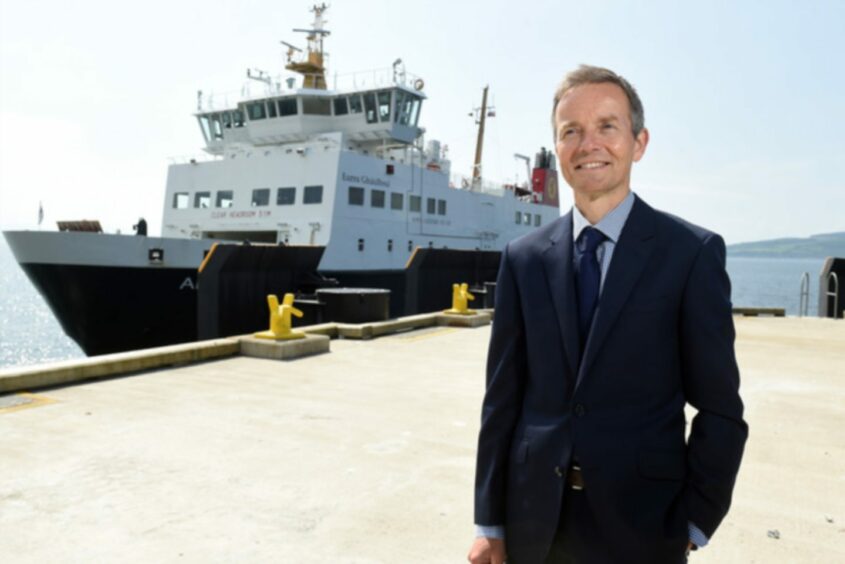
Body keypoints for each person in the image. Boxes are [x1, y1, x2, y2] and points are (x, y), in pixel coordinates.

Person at [468, 65, 748, 564]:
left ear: (638, 143)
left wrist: (694, 522)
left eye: (606, 126)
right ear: (557, 149)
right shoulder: (522, 258)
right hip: (533, 524)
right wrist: (490, 521)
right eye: (571, 131)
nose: (587, 143)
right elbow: (502, 402)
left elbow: (721, 410)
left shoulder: (690, 254)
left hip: (643, 529)